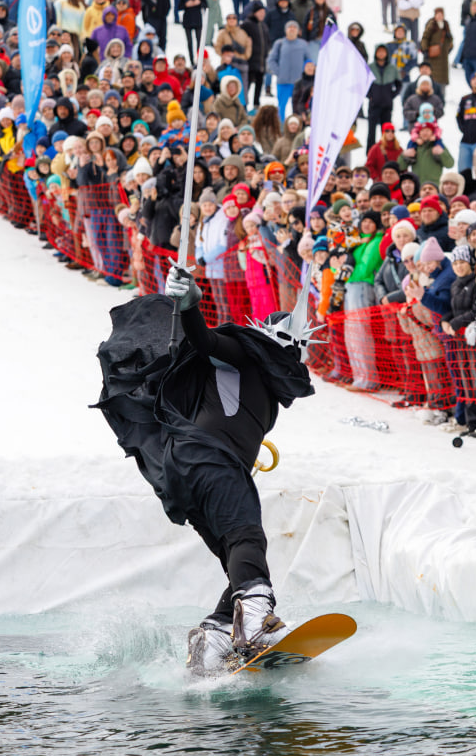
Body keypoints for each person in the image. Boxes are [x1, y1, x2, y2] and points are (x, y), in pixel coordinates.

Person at [93, 271, 320, 676]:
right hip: (207, 459)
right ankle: (256, 623)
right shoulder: (243, 354)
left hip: (188, 471)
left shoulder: (263, 386)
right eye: (297, 345)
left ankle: (213, 637)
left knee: (238, 555)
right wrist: (192, 304)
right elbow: (206, 340)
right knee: (247, 538)